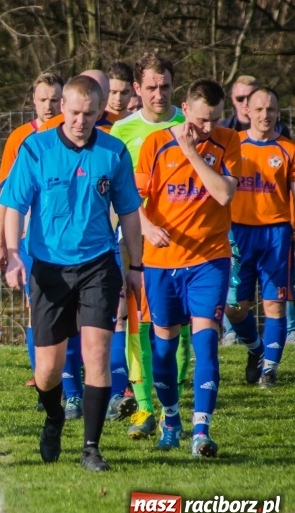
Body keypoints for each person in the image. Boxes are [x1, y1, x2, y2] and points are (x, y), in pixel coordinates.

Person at [1, 75, 143, 471]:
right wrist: (13, 253)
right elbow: (13, 204)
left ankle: (91, 448)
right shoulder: (36, 148)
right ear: (62, 108)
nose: (81, 120)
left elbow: (130, 212)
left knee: (96, 354)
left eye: (90, 114)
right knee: (47, 372)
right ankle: (53, 416)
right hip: (48, 269)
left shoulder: (114, 152)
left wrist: (137, 265)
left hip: (99, 264)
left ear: (101, 112)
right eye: (75, 112)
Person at [136, 79, 241, 458]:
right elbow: (134, 198)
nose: (208, 128)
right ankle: (170, 419)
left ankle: (201, 430)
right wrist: (147, 227)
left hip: (209, 259)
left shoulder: (229, 142)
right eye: (200, 120)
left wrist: (192, 150)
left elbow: (224, 193)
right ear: (184, 108)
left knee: (206, 341)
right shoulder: (154, 143)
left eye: (215, 119)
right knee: (163, 348)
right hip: (162, 262)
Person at [109, 52, 188, 439]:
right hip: (136, 240)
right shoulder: (121, 131)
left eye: (166, 86)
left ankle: (173, 400)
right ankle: (143, 408)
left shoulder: (188, 125)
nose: (159, 94)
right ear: (137, 89)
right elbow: (113, 190)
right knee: (136, 322)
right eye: (151, 87)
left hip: (186, 243)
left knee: (179, 326)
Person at [0, 72, 64, 399]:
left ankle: (71, 379)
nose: (48, 106)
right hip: (31, 239)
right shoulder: (19, 137)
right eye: (42, 99)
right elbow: (7, 197)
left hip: (69, 236)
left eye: (54, 99)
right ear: (32, 100)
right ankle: (43, 379)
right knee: (37, 308)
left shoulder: (75, 135)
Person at [224, 87, 295, 388]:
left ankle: (269, 369)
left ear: (278, 112)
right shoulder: (233, 145)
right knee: (234, 307)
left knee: (274, 305)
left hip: (276, 234)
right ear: (248, 112)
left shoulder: (289, 150)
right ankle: (256, 349)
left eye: (271, 109)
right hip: (238, 234)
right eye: (259, 109)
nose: (265, 115)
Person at [219, 75, 291, 139]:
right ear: (232, 98)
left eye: (250, 97)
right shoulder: (222, 130)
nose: (246, 102)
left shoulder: (279, 130)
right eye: (240, 98)